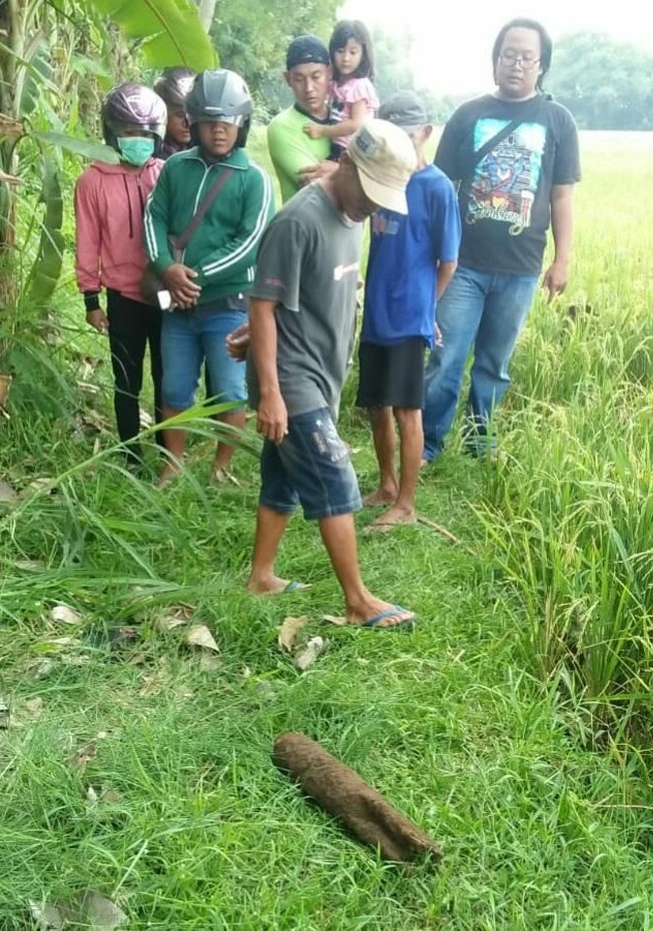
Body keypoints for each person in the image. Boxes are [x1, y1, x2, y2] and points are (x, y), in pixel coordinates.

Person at [246, 120, 420, 628]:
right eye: (369, 191)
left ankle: (261, 576)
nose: (372, 205)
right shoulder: (298, 221)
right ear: (345, 163)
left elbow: (301, 294)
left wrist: (250, 334)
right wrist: (271, 393)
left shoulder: (353, 214)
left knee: (282, 477)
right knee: (334, 478)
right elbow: (262, 304)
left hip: (323, 373)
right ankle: (358, 600)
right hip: (292, 379)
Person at [422, 17, 581, 462]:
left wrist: (562, 260)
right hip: (462, 264)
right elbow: (440, 188)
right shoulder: (467, 115)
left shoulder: (558, 121)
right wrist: (431, 252)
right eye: (509, 55)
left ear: (541, 65)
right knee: (446, 355)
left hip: (521, 267)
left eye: (527, 57)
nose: (516, 64)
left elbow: (562, 196)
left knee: (494, 364)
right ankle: (428, 444)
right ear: (495, 60)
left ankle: (480, 443)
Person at [144, 69, 274, 486]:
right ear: (194, 122)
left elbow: (249, 243)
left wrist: (190, 279)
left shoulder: (254, 179)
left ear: (242, 124)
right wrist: (166, 267)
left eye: (229, 121)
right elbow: (154, 216)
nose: (220, 130)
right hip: (178, 307)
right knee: (174, 387)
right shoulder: (175, 168)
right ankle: (173, 465)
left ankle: (221, 468)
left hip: (229, 304)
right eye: (210, 121)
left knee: (231, 391)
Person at [358, 91, 461, 530]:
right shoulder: (379, 179)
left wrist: (425, 309)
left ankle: (406, 503)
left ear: (425, 133)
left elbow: (448, 261)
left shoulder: (436, 188)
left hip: (408, 315)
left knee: (406, 410)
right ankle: (386, 484)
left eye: (407, 135)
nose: (400, 143)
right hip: (376, 310)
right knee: (376, 404)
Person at [74, 82, 167, 469]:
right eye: (129, 132)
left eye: (145, 133)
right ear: (112, 133)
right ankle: (131, 454)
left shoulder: (165, 173)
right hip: (122, 298)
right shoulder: (92, 182)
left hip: (163, 293)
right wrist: (91, 300)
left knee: (167, 375)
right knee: (126, 380)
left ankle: (167, 450)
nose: (138, 141)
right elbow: (87, 242)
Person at [266, 35, 339, 202]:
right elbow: (317, 186)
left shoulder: (345, 121)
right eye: (299, 79)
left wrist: (337, 170)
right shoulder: (282, 126)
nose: (309, 88)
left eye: (316, 76)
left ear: (329, 73)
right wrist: (353, 171)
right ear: (288, 79)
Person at [303, 20, 379, 159]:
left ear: (363, 54)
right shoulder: (336, 81)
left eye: (353, 52)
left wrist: (322, 131)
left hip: (352, 151)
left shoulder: (359, 86)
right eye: (340, 51)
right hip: (336, 145)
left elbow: (355, 124)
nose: (345, 58)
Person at [153, 66, 196, 158]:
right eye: (180, 115)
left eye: (193, 114)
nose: (187, 124)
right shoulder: (149, 152)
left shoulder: (206, 149)